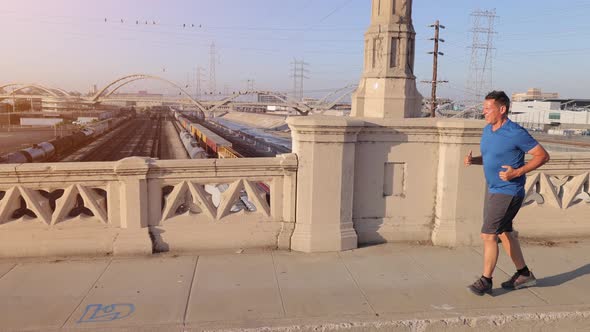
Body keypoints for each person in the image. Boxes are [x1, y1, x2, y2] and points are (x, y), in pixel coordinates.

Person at [464, 90, 550, 296]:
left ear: (502, 109)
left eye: (487, 108)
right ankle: (524, 273)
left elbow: (542, 155)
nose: (483, 112)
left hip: (509, 191)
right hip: (495, 190)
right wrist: (474, 160)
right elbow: (492, 157)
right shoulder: (488, 130)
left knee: (488, 234)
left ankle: (486, 280)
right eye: (483, 108)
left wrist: (517, 172)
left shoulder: (516, 132)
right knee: (504, 232)